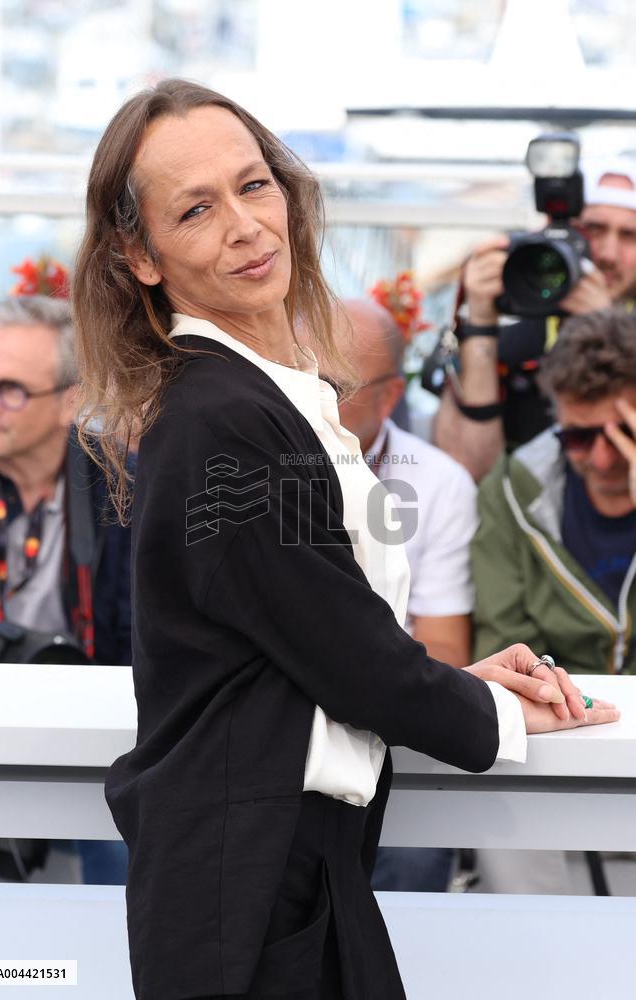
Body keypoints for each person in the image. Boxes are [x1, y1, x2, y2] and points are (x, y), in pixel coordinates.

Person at [72, 79, 618, 1000]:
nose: (246, 225)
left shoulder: (246, 393)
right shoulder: (218, 416)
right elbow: (340, 648)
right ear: (141, 255)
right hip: (244, 881)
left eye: (254, 185)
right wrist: (504, 714)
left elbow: (308, 632)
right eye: (197, 209)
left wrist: (453, 683)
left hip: (274, 866)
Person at [470, 307, 636, 895]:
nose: (604, 458)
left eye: (622, 434)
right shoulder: (515, 490)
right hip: (555, 737)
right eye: (579, 437)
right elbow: (503, 645)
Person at [0, 294, 132, 885]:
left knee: (126, 857)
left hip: (92, 748)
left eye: (11, 390)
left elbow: (147, 649)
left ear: (71, 400)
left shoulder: (126, 494)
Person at [328, 297, 477, 895]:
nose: (313, 393)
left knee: (409, 882)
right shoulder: (253, 462)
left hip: (399, 739)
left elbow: (445, 649)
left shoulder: (438, 483)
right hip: (284, 742)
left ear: (392, 396)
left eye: (336, 383)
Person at [434, 155, 636, 481]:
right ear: (557, 232)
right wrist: (479, 321)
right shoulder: (512, 340)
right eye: (594, 229)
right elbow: (468, 472)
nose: (608, 253)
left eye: (630, 236)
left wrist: (608, 330)